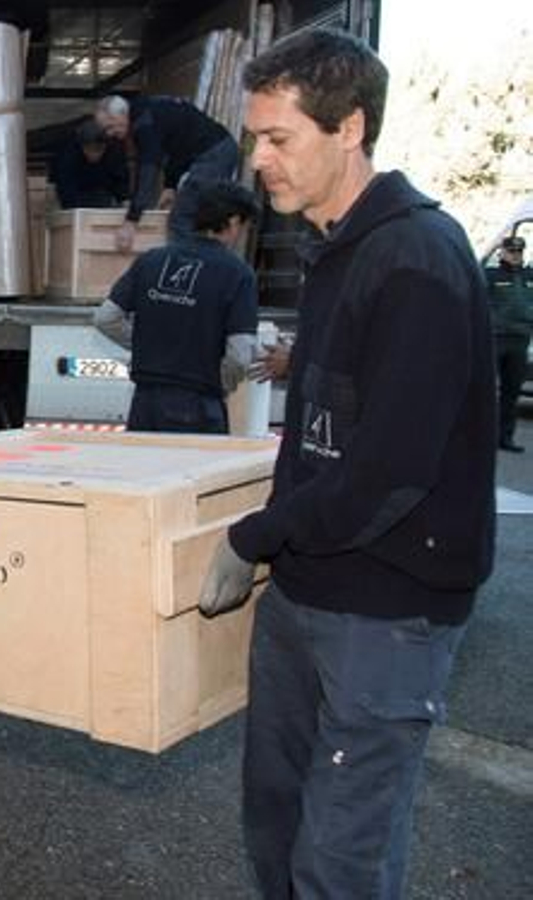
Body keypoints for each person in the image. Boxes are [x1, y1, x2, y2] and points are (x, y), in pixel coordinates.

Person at [197, 29, 497, 900]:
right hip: (310, 586)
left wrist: (254, 534)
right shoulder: (338, 247)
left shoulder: (415, 259)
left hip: (387, 610)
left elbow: (388, 470)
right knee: (276, 824)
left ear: (350, 127)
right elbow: (324, 434)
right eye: (256, 138)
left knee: (339, 860)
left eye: (279, 138)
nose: (259, 162)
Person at [94, 180, 260, 433]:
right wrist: (220, 381)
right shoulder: (238, 274)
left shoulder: (151, 259)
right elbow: (239, 355)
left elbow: (106, 318)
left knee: (146, 471)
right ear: (234, 221)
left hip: (144, 404)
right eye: (245, 227)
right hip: (199, 404)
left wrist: (148, 343)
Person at [94, 94, 239, 250]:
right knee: (198, 214)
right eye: (105, 131)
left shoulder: (143, 123)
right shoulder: (149, 110)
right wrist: (170, 186)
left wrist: (131, 221)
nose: (109, 134)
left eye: (109, 126)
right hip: (218, 149)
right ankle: (205, 260)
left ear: (122, 114)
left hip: (214, 154)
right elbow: (176, 147)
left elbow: (148, 170)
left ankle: (186, 268)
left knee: (182, 217)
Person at [485, 234, 532, 452]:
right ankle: (479, 437)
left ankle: (505, 438)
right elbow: (474, 290)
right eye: (511, 251)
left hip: (520, 340)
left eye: (518, 252)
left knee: (511, 392)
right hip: (496, 339)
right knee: (485, 390)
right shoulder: (491, 274)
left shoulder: (529, 276)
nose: (515, 256)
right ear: (502, 252)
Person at [49, 119, 129, 210]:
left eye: (99, 149)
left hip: (103, 195)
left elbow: (121, 183)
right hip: (75, 194)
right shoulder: (67, 155)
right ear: (81, 146)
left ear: (105, 146)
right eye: (89, 149)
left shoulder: (114, 152)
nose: (94, 154)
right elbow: (64, 191)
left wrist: (124, 200)